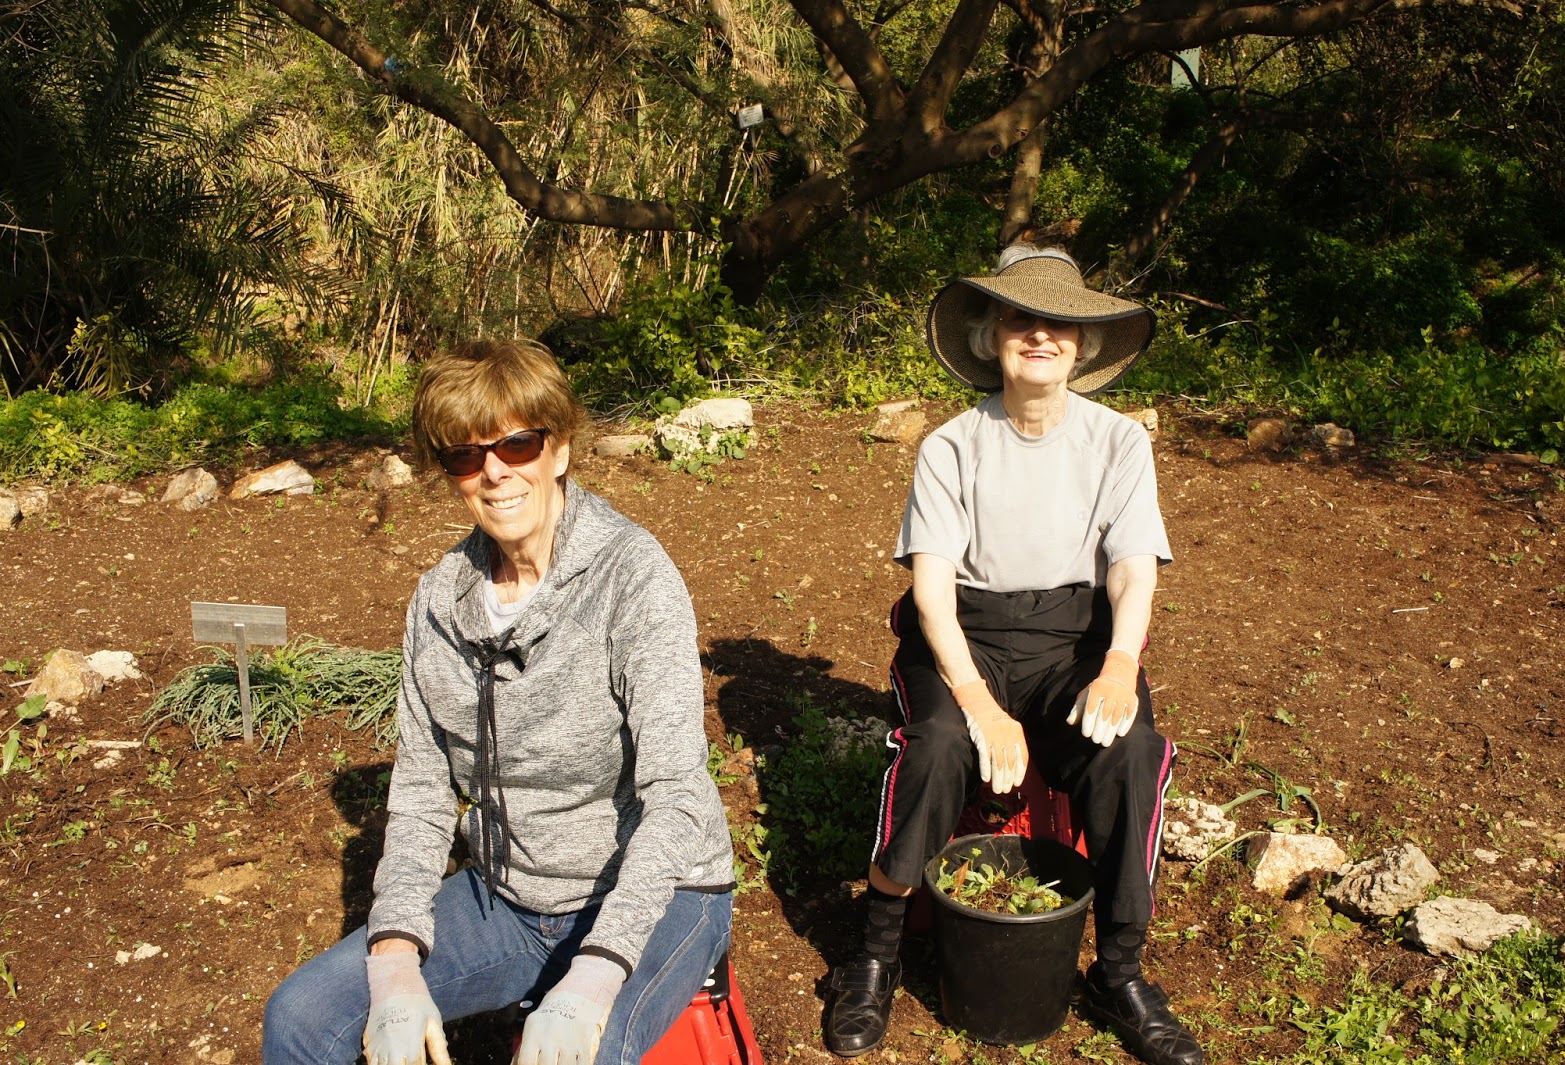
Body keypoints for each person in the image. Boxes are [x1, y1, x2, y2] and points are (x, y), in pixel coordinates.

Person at [263, 339, 735, 1065]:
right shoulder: (438, 602)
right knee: (302, 1017)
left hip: (660, 893)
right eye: (465, 454)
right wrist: (394, 964)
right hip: (509, 899)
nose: (493, 471)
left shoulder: (632, 578)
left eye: (518, 443)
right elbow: (422, 794)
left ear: (560, 449)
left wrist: (593, 979)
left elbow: (675, 795)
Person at [821, 246, 1202, 1065]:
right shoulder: (952, 446)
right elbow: (931, 593)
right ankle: (876, 953)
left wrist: (1120, 663)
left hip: (1076, 639)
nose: (1039, 336)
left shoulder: (1117, 442)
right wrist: (980, 704)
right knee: (937, 743)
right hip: (967, 638)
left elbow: (1133, 568)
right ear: (991, 336)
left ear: (1083, 344)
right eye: (1021, 319)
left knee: (1132, 748)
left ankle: (1119, 972)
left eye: (1058, 323)